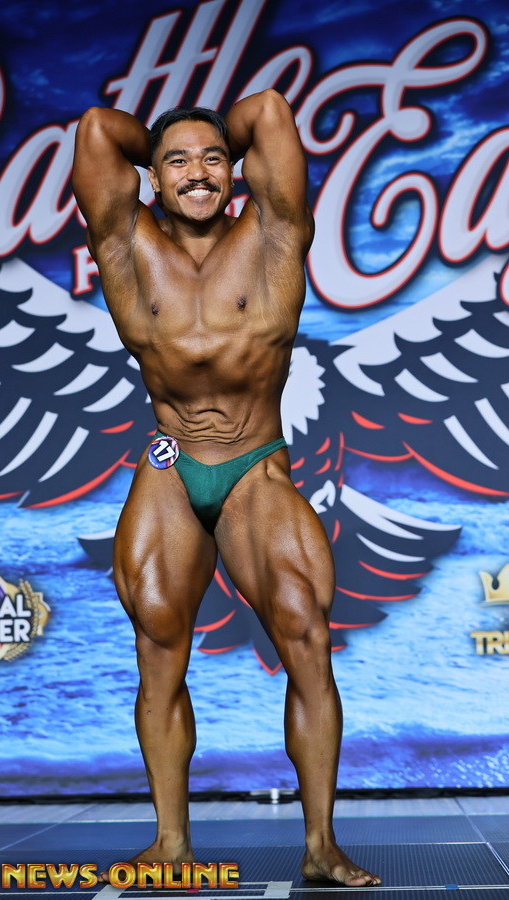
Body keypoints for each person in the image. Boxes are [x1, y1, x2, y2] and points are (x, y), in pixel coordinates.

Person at [72, 89, 380, 888]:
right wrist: (170, 144)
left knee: (304, 630)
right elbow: (99, 131)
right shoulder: (125, 241)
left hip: (254, 463)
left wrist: (205, 146)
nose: (198, 173)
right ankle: (171, 843)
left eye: (213, 159)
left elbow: (270, 109)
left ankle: (320, 845)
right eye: (177, 163)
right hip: (171, 460)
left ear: (238, 171)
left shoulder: (274, 230)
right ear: (152, 177)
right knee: (157, 640)